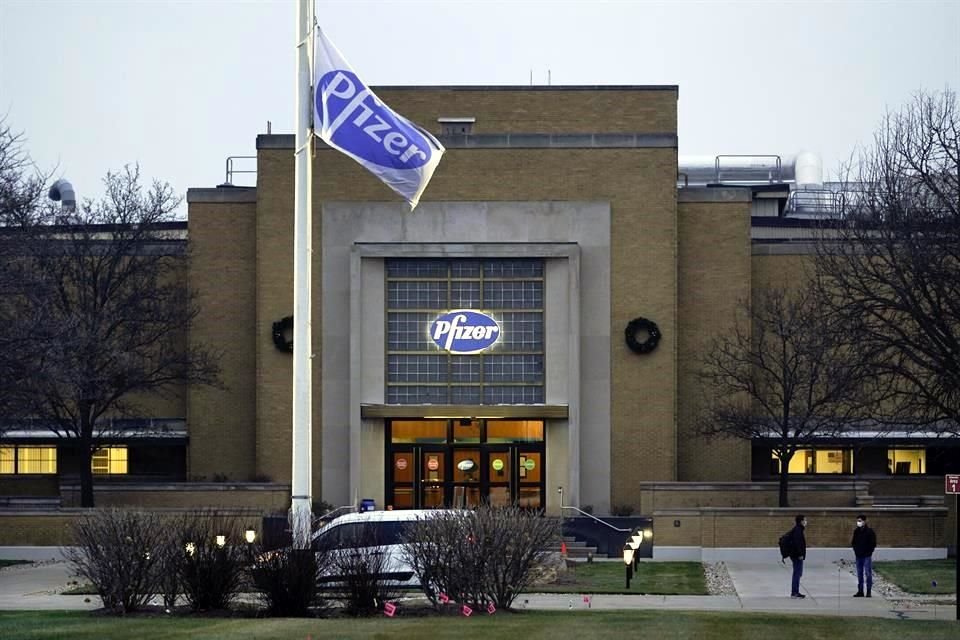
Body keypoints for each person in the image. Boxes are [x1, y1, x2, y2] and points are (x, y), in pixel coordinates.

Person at [850, 513, 877, 597]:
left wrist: (869, 552)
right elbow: (853, 542)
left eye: (860, 521)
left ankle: (868, 591)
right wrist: (856, 551)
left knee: (868, 573)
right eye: (857, 521)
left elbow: (873, 543)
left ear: (864, 521)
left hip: (866, 556)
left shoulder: (870, 532)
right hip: (858, 555)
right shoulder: (856, 531)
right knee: (859, 574)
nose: (858, 522)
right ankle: (860, 591)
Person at [786, 514, 807, 598]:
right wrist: (800, 554)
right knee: (797, 573)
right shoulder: (798, 530)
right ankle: (794, 592)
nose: (806, 522)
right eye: (805, 520)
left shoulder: (798, 529)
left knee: (798, 573)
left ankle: (795, 591)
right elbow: (797, 543)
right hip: (797, 555)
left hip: (795, 555)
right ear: (801, 521)